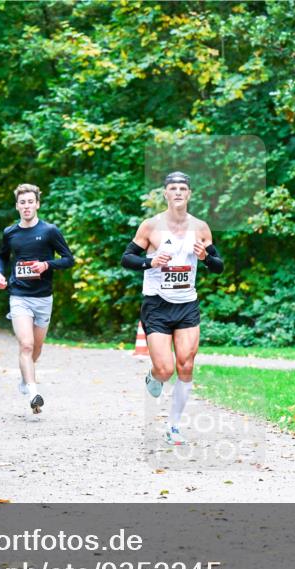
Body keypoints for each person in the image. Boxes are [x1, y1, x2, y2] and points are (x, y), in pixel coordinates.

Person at [121, 171, 224, 445]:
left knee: (186, 365)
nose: (178, 192)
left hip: (187, 304)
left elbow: (218, 266)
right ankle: (154, 376)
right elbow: (127, 258)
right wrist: (150, 263)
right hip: (156, 304)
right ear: (165, 194)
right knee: (165, 369)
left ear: (189, 194)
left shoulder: (200, 228)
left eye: (182, 189)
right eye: (173, 188)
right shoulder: (151, 226)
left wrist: (205, 257)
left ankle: (174, 426)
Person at [0, 184, 75, 414]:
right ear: (17, 206)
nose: (27, 206)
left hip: (43, 298)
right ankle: (33, 393)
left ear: (37, 204)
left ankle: (25, 378)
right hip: (19, 295)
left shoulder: (50, 231)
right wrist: (0, 274)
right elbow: (2, 257)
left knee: (36, 349)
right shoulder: (10, 232)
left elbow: (69, 259)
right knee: (26, 344)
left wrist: (46, 265)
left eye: (31, 202)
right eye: (22, 202)